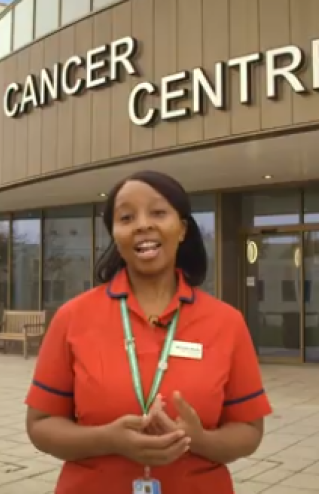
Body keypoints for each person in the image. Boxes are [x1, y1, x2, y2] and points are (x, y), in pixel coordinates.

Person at [25, 170, 272, 493]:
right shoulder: (73, 317)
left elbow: (249, 430)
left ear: (182, 229)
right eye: (126, 217)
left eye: (158, 212)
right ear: (115, 233)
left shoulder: (226, 322)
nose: (142, 225)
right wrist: (107, 439)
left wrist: (200, 441)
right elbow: (40, 425)